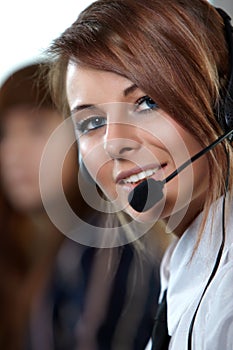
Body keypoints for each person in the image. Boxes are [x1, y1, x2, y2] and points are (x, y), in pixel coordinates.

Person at [47, 0, 233, 349]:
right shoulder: (185, 264)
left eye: (147, 102)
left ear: (224, 106)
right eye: (93, 122)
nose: (114, 143)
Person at [0, 62, 168, 349]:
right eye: (4, 134)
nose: (14, 152)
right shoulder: (42, 249)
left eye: (36, 127)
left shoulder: (107, 243)